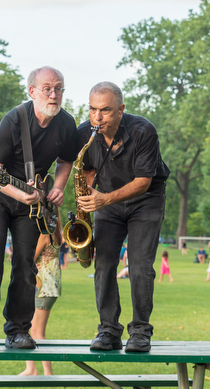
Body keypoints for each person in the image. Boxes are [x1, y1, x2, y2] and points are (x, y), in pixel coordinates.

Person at [0, 66, 79, 351]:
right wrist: (20, 193)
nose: (53, 94)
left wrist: (58, 187)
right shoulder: (14, 120)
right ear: (32, 91)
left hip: (31, 198)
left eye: (58, 88)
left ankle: (18, 330)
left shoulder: (66, 123)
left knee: (25, 265)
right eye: (47, 88)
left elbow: (67, 160)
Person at [77, 81, 170, 353]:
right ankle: (108, 330)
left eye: (105, 110)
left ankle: (140, 332)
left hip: (146, 199)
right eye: (93, 109)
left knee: (140, 265)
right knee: (104, 264)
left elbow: (143, 181)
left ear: (121, 109)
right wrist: (86, 197)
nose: (97, 117)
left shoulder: (144, 131)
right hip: (106, 201)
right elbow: (85, 168)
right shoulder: (85, 132)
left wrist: (104, 198)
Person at [19, 214, 63, 376]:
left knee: (37, 330)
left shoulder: (46, 233)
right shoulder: (55, 231)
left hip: (44, 286)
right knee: (31, 327)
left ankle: (47, 372)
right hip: (46, 285)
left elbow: (30, 257)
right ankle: (31, 368)